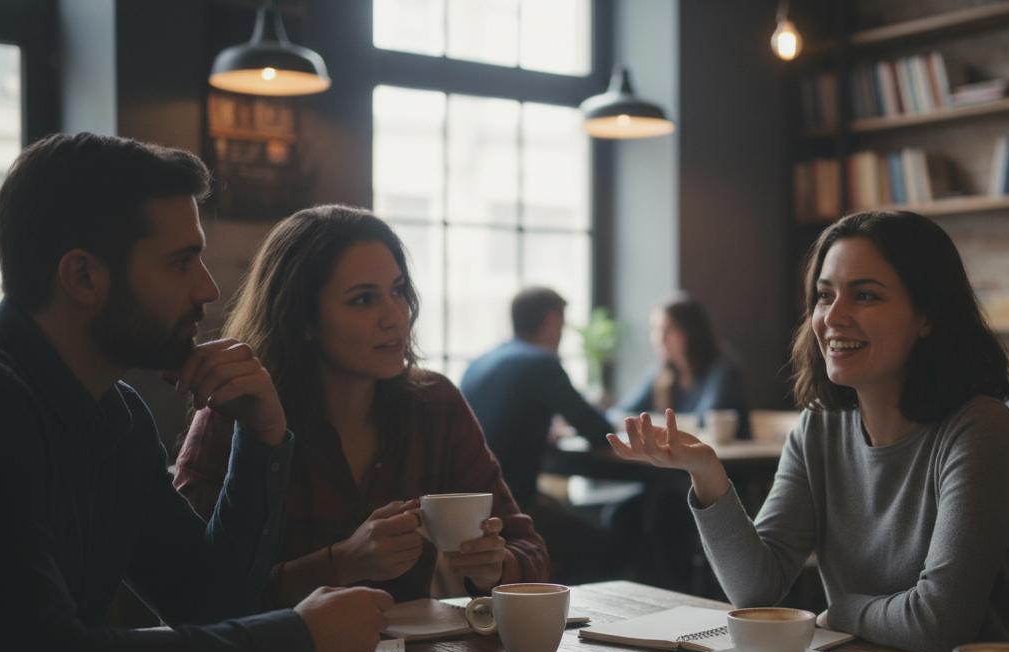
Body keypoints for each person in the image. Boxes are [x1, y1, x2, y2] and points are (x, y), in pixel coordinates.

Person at [0, 133, 389, 652]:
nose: (206, 288)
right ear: (84, 276)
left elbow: (206, 600)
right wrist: (299, 641)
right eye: (180, 261)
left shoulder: (116, 415)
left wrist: (262, 438)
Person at [609, 211, 1009, 652]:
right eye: (825, 296)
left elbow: (940, 622)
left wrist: (840, 613)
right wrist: (707, 475)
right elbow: (757, 590)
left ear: (927, 316)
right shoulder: (820, 426)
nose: (834, 317)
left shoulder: (980, 429)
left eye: (866, 296)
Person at [174, 205, 548, 607]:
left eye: (399, 290)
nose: (395, 316)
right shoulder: (239, 410)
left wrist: (494, 568)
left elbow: (530, 551)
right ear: (302, 318)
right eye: (363, 299)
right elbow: (195, 592)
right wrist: (341, 564)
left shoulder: (434, 404)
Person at [461, 286, 613, 509]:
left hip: (469, 501)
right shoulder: (541, 363)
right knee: (609, 540)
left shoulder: (479, 361)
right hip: (508, 505)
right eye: (562, 327)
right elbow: (599, 432)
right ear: (551, 321)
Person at [615, 293, 749, 439]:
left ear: (691, 331)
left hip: (724, 458)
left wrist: (651, 424)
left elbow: (705, 420)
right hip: (681, 459)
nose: (660, 338)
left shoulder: (723, 369)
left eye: (669, 329)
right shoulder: (659, 373)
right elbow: (618, 413)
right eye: (654, 329)